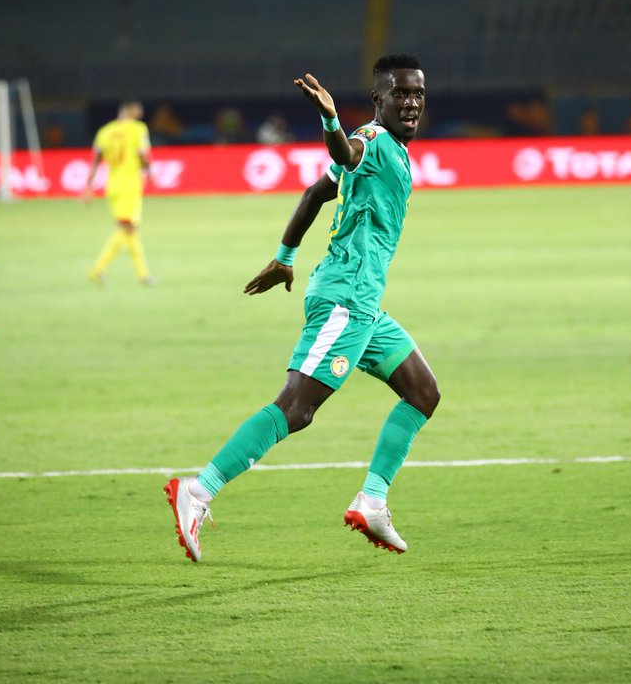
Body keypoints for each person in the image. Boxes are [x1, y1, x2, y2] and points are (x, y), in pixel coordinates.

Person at [165, 54, 440, 562]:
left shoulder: (396, 151)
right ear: (379, 99)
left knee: (423, 392)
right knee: (297, 407)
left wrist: (285, 259)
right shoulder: (375, 142)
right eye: (399, 93)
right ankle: (197, 492)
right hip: (345, 300)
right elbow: (348, 150)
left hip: (361, 303)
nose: (411, 102)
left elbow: (317, 191)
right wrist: (330, 119)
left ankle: (372, 501)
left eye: (417, 93)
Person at [83, 100, 155, 286]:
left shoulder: (104, 132)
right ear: (131, 110)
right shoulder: (138, 129)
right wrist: (149, 172)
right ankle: (97, 269)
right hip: (130, 185)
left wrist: (89, 187)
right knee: (126, 229)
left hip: (112, 186)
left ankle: (143, 275)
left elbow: (96, 160)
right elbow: (142, 153)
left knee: (132, 231)